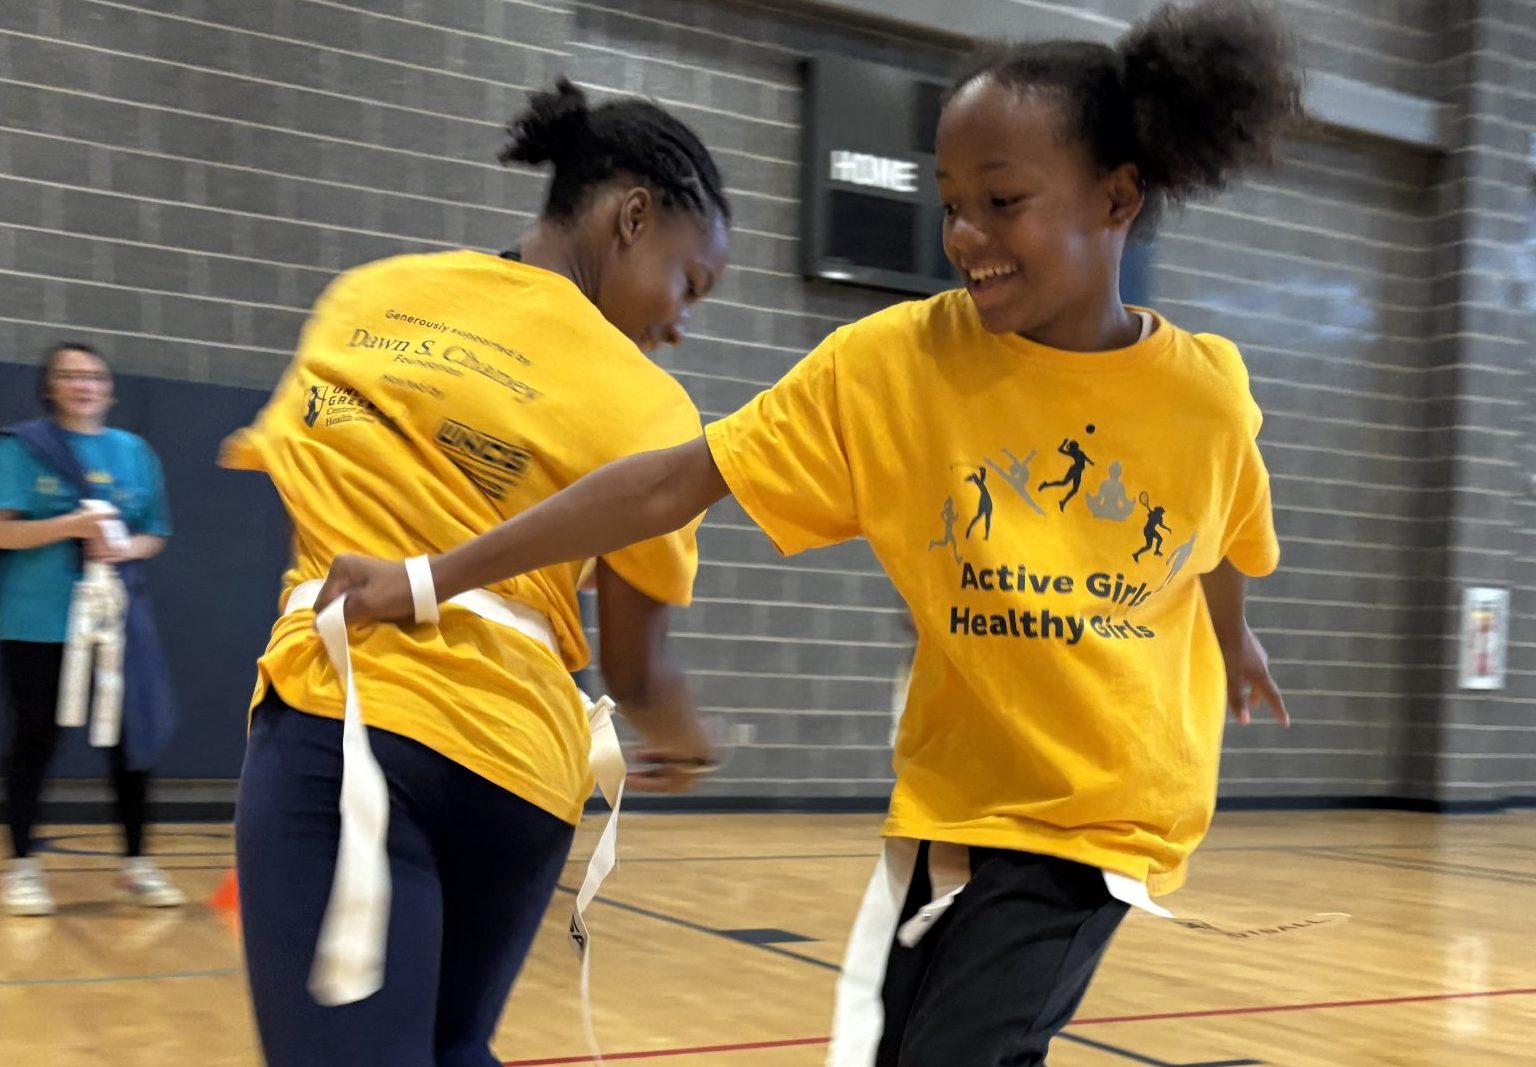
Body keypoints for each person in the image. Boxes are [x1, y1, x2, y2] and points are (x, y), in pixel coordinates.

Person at [317, 1, 1302, 1061]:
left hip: (1102, 812)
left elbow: (1220, 536)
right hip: (954, 801)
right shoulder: (893, 365)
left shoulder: (1204, 396)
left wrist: (1231, 633)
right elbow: (666, 485)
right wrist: (429, 576)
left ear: (1116, 196)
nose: (965, 236)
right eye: (951, 203)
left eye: (1002, 201)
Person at [219, 79, 730, 1066]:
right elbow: (636, 672)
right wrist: (687, 742)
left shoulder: (365, 297)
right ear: (631, 218)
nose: (679, 322)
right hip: (519, 774)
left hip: (349, 724)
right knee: (451, 1047)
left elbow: (312, 506)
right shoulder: (650, 405)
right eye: (690, 283)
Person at [0, 341, 183, 916]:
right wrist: (72, 524)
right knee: (34, 738)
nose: (83, 385)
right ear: (50, 388)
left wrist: (122, 548)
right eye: (69, 376)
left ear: (109, 390)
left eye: (94, 377)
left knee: (131, 739)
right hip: (36, 619)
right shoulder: (18, 448)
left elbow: (154, 533)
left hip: (116, 618)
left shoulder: (134, 452)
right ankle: (21, 868)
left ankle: (136, 864)